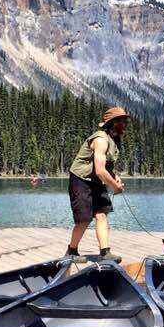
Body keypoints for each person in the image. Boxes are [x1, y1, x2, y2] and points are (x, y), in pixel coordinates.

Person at [66, 107, 129, 262]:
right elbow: (100, 171)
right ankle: (71, 252)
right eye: (122, 121)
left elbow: (106, 167)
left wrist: (116, 178)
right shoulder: (100, 140)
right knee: (84, 219)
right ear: (113, 123)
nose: (125, 124)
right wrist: (115, 186)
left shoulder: (113, 140)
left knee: (101, 214)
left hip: (95, 181)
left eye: (125, 120)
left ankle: (105, 252)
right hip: (80, 180)